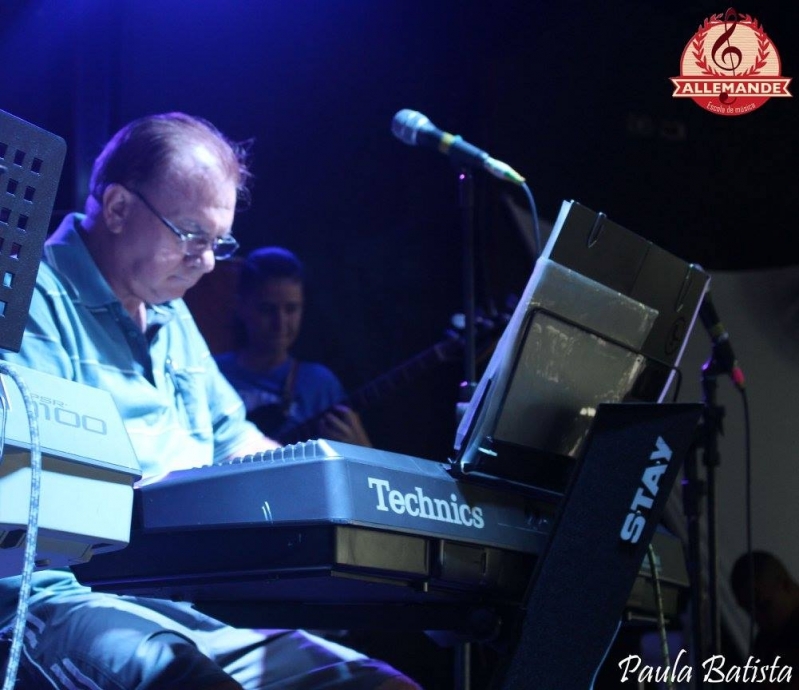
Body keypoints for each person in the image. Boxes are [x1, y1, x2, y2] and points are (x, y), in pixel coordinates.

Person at [0, 112, 419, 689]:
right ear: (118, 208)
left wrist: (342, 490)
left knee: (375, 684)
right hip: (64, 600)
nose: (209, 262)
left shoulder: (171, 317)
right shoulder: (28, 296)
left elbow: (237, 442)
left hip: (186, 601)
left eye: (220, 242)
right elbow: (46, 497)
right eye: (192, 236)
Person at [215, 246, 371, 447]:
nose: (280, 323)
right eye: (267, 309)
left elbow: (364, 459)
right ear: (242, 307)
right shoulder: (212, 373)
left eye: (291, 309)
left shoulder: (320, 383)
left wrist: (358, 446)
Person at [731, 550, 799, 682]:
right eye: (748, 610)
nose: (757, 617)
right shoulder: (765, 641)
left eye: (763, 605)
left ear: (785, 586)